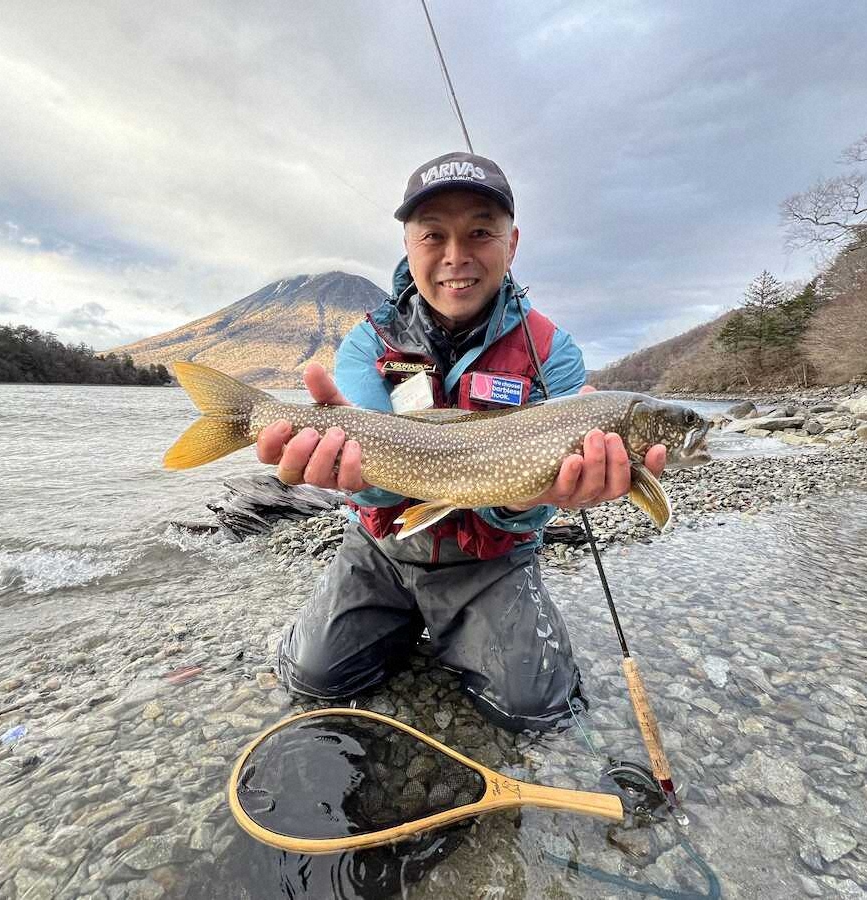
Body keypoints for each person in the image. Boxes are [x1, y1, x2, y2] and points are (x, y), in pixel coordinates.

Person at [257, 152, 667, 731]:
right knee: (314, 679)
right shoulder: (367, 344)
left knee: (534, 707)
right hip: (383, 549)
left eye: (480, 232)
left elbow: (537, 508)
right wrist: (356, 478)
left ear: (512, 243)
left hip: (492, 558)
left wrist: (526, 502)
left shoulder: (553, 352)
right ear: (408, 245)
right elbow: (377, 492)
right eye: (433, 235)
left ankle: (442, 628)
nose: (456, 256)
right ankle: (408, 624)